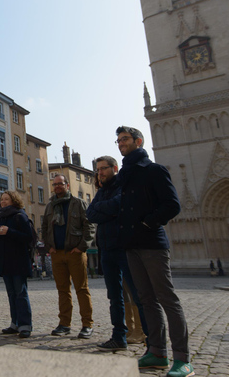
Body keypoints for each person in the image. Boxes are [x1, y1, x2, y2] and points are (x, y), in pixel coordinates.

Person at [115, 126, 193, 377]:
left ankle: (182, 359)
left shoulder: (154, 170)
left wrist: (148, 222)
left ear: (138, 141)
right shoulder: (124, 175)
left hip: (152, 244)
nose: (120, 143)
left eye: (124, 139)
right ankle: (157, 352)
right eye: (117, 140)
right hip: (131, 245)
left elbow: (172, 205)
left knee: (167, 299)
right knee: (146, 300)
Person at [86, 156, 147, 352]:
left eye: (104, 169)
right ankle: (119, 336)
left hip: (124, 246)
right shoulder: (102, 191)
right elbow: (90, 214)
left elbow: (121, 205)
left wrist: (106, 208)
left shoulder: (123, 185)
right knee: (115, 297)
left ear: (115, 168)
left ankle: (149, 337)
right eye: (98, 170)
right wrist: (110, 209)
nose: (100, 173)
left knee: (138, 294)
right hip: (106, 248)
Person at [41, 174, 94, 338]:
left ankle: (87, 324)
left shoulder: (78, 204)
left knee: (82, 289)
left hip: (75, 253)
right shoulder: (50, 206)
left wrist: (81, 248)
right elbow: (44, 229)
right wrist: (49, 247)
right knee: (63, 290)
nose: (57, 186)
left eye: (60, 184)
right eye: (55, 184)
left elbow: (89, 227)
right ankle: (64, 324)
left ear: (67, 185)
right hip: (57, 254)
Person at [0, 190, 33, 338]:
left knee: (20, 293)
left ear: (13, 201)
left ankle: (25, 325)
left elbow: (28, 237)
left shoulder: (20, 216)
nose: (3, 202)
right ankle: (14, 323)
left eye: (6, 199)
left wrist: (9, 232)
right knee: (11, 294)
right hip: (5, 262)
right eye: (2, 199)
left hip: (18, 261)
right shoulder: (0, 218)